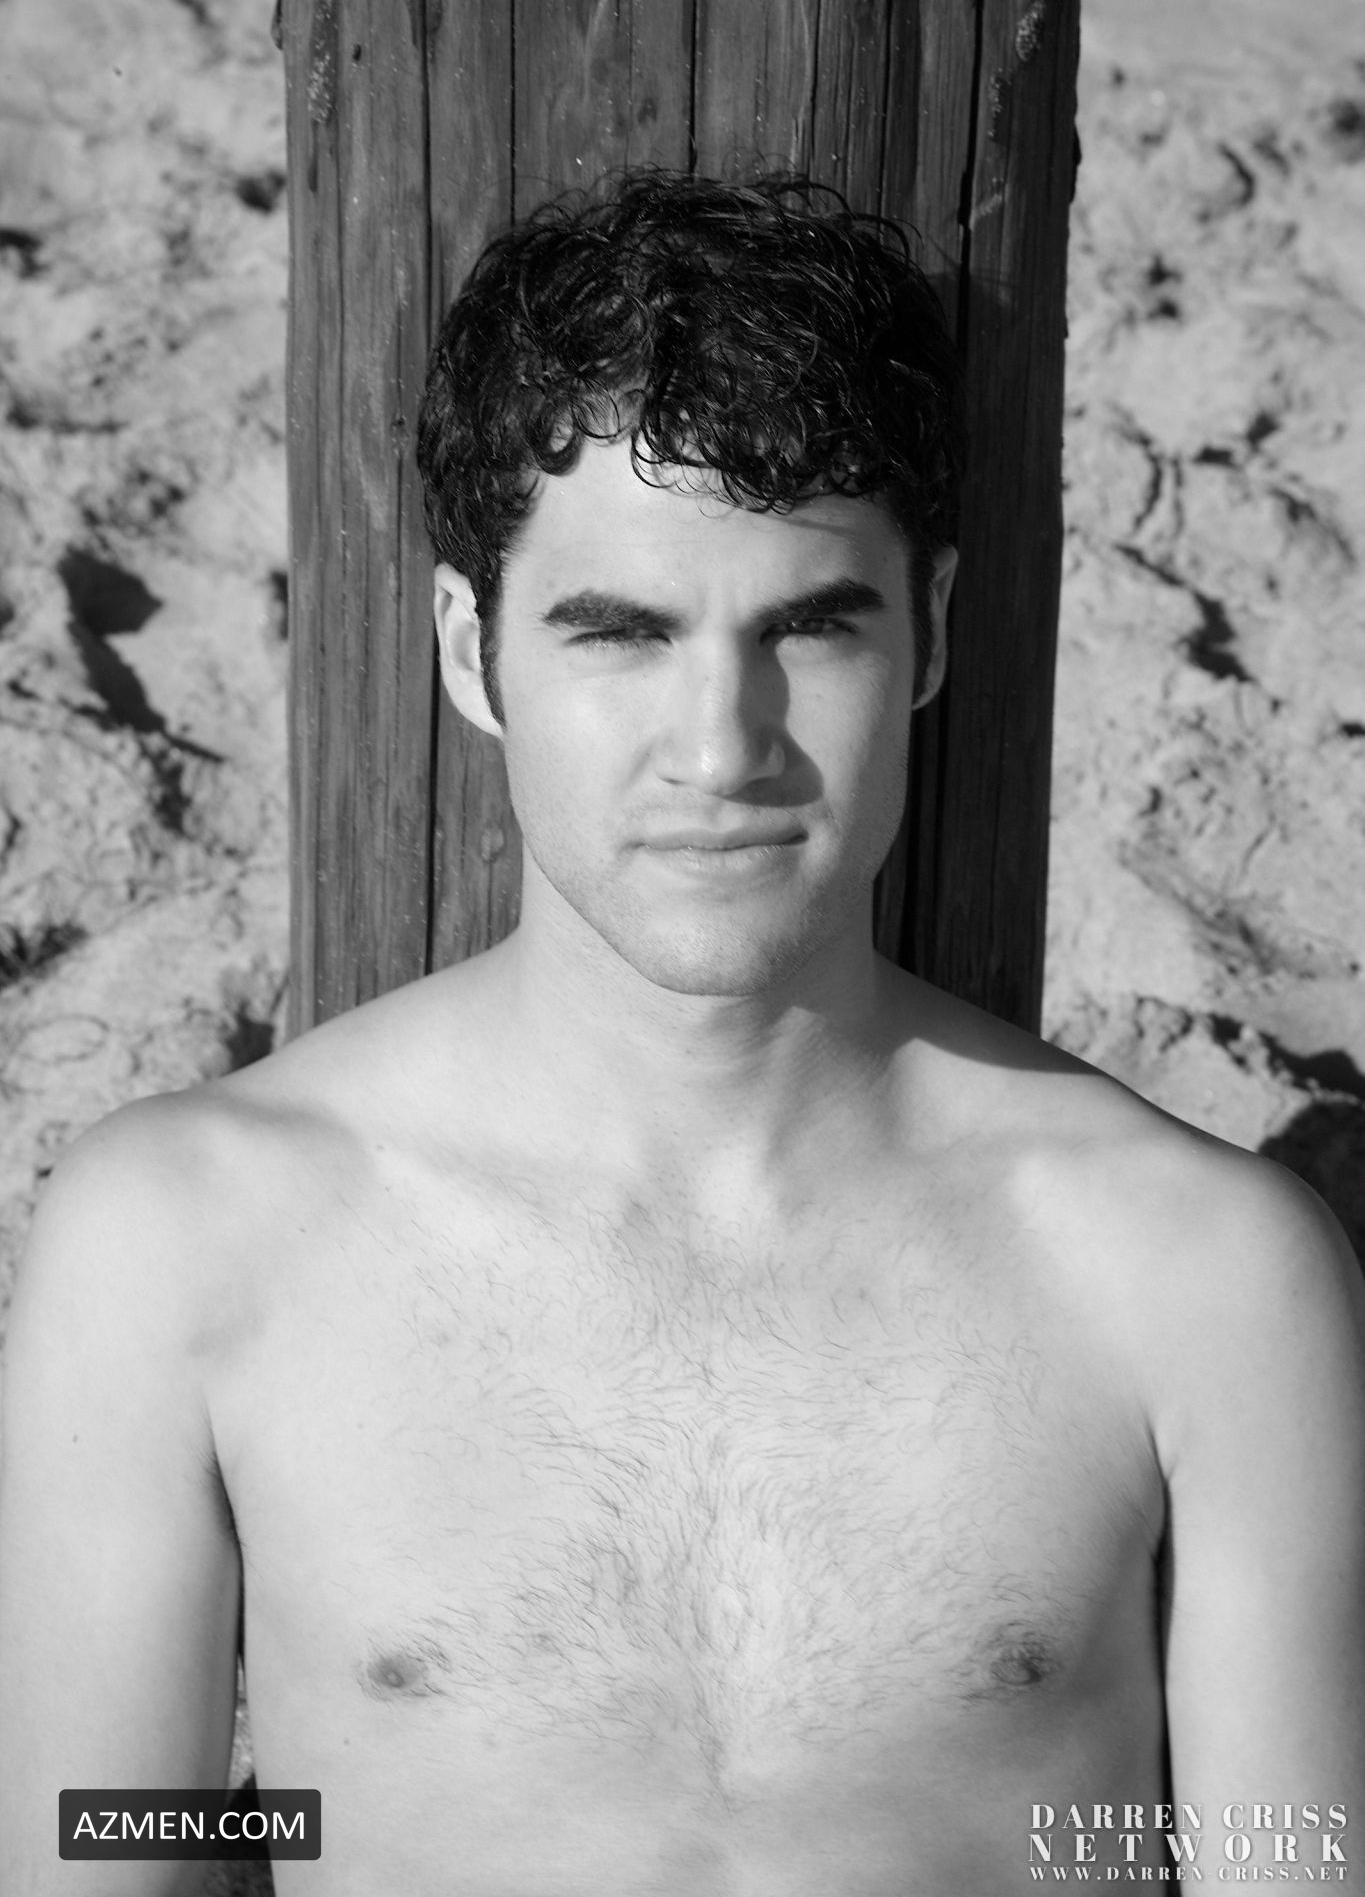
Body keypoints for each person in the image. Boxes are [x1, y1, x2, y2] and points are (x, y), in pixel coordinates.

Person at [1, 171, 1361, 1896]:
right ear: (471, 653)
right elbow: (112, 1843)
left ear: (930, 634)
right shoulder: (183, 1242)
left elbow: (1274, 1856)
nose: (722, 749)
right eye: (620, 634)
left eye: (809, 628)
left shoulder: (1199, 1274)